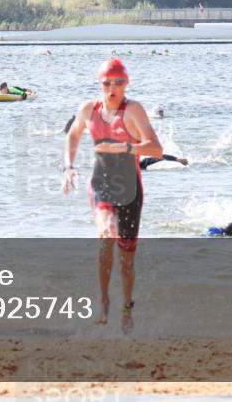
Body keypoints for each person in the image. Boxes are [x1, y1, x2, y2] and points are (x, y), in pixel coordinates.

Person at [63, 58, 162, 333]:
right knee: (106, 234)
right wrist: (68, 167)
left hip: (130, 189)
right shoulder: (89, 109)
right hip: (101, 183)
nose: (112, 88)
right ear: (100, 84)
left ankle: (126, 306)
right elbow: (73, 136)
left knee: (126, 260)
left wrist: (126, 148)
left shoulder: (133, 110)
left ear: (126, 83)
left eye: (118, 82)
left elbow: (156, 149)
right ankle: (104, 301)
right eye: (107, 83)